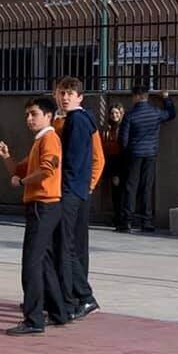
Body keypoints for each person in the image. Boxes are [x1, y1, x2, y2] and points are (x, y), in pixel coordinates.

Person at [0, 97, 67, 335]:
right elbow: (19, 170)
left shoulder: (49, 139)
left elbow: (47, 169)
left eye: (34, 114)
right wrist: (6, 157)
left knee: (32, 262)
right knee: (43, 260)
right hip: (43, 206)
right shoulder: (39, 141)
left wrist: (23, 182)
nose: (29, 119)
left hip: (43, 205)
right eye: (27, 114)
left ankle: (33, 319)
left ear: (48, 116)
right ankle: (57, 311)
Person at [55, 78, 100, 320]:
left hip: (71, 190)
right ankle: (73, 297)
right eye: (62, 93)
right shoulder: (80, 120)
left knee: (67, 246)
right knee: (70, 245)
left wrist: (64, 188)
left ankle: (83, 296)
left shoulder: (76, 121)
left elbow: (71, 161)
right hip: (79, 190)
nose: (65, 97)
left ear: (80, 97)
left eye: (70, 93)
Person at [119, 86, 175, 233]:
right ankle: (146, 221)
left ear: (137, 96)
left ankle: (127, 221)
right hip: (150, 153)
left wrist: (127, 152)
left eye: (133, 96)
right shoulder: (155, 112)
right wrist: (166, 98)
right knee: (147, 187)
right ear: (146, 96)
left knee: (131, 187)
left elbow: (123, 139)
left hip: (134, 154)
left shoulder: (130, 115)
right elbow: (171, 114)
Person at [102, 104, 127, 229]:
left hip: (120, 160)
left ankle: (120, 217)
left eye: (117, 113)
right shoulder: (108, 128)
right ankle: (117, 216)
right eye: (112, 113)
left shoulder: (123, 127)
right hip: (110, 160)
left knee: (120, 191)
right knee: (115, 191)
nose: (114, 115)